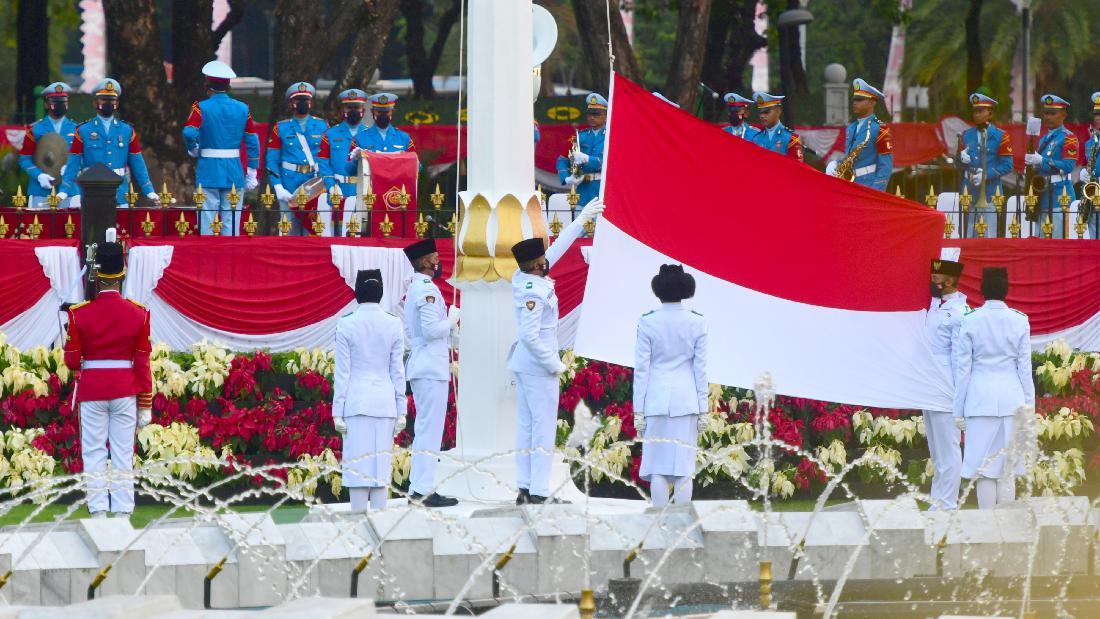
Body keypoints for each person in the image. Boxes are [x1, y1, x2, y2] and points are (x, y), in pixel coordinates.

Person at [509, 197, 606, 505]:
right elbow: (529, 335)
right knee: (542, 429)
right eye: (543, 260)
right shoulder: (534, 290)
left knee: (527, 427)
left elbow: (555, 251)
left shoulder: (523, 277)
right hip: (538, 367)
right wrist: (555, 364)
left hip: (526, 366)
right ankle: (538, 491)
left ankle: (525, 487)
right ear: (537, 266)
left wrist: (579, 223)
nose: (547, 261)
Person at [63, 229, 153, 518]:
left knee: (94, 452)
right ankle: (124, 512)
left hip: (93, 389)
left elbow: (72, 362)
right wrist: (146, 402)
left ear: (98, 274)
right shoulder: (139, 313)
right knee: (123, 453)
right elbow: (142, 362)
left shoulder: (79, 314)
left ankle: (99, 511)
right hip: (125, 389)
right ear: (122, 273)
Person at [953, 267, 1034, 510]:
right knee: (1007, 470)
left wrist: (958, 410)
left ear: (983, 289)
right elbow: (1024, 370)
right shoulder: (1019, 320)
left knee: (984, 471)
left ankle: (986, 529)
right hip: (1012, 401)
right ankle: (1006, 531)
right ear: (1006, 289)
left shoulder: (970, 320)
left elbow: (963, 370)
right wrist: (1029, 407)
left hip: (980, 401)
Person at [632, 264, 707, 508]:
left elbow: (642, 370)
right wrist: (703, 408)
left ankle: (659, 523)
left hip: (656, 400)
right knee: (684, 468)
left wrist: (638, 410)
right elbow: (700, 369)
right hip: (686, 402)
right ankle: (682, 524)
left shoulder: (648, 322)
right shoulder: (697, 322)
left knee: (657, 468)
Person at [332, 269, 407, 512]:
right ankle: (380, 527)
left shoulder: (346, 324)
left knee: (358, 470)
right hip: (385, 403)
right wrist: (402, 409)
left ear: (357, 292)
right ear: (380, 292)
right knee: (380, 469)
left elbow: (343, 373)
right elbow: (397, 371)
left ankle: (359, 525)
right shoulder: (394, 323)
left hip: (356, 402)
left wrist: (337, 412)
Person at [402, 239, 461, 507]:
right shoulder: (425, 289)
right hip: (429, 367)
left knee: (427, 429)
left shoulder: (422, 287)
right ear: (425, 261)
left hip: (427, 364)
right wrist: (451, 319)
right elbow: (430, 330)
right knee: (429, 430)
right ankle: (423, 490)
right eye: (435, 257)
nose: (439, 262)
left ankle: (419, 487)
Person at [183, 61, 261, 236]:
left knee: (207, 224)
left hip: (209, 170)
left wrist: (193, 148)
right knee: (231, 225)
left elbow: (189, 132)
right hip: (234, 170)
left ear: (207, 85)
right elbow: (252, 140)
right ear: (228, 85)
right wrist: (252, 170)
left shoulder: (200, 107)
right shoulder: (243, 108)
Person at [57, 79, 158, 208]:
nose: (108, 103)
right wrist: (64, 190)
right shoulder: (83, 130)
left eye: (112, 100)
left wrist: (148, 190)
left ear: (117, 103)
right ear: (95, 103)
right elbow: (73, 163)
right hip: (92, 190)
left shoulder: (127, 130)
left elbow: (137, 162)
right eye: (104, 100)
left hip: (120, 192)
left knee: (121, 227)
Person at [922, 258, 967, 511]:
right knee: (936, 450)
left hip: (946, 386)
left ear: (949, 280)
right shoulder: (935, 307)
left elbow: (960, 358)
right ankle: (937, 501)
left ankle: (948, 504)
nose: (932, 280)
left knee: (948, 448)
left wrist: (959, 396)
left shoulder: (960, 313)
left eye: (936, 277)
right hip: (928, 385)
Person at [266, 82, 329, 235]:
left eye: (305, 100)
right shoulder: (280, 127)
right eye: (298, 100)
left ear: (311, 103)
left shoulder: (322, 126)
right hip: (289, 185)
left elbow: (328, 157)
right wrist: (278, 186)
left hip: (315, 184)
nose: (302, 103)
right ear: (291, 103)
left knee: (313, 231)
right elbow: (272, 160)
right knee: (289, 233)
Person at [957, 94, 1014, 238]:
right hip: (969, 191)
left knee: (989, 235)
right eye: (975, 111)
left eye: (980, 111)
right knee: (969, 235)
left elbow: (1008, 165)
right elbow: (958, 164)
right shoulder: (966, 135)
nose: (976, 114)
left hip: (990, 192)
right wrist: (961, 160)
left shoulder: (1001, 136)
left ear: (990, 113)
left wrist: (986, 174)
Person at [1024, 94, 1078, 239]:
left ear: (1063, 115)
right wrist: (1031, 168)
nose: (1048, 117)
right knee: (1041, 241)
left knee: (1058, 242)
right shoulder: (1043, 139)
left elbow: (1068, 166)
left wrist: (1041, 160)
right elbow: (1041, 167)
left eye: (1052, 113)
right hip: (1042, 195)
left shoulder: (1068, 137)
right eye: (1046, 113)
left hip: (1060, 195)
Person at [826, 78, 893, 191]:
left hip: (868, 184)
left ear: (872, 102)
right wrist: (836, 164)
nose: (855, 103)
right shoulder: (851, 128)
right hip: (848, 184)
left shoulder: (880, 128)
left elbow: (885, 166)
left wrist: (876, 192)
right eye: (854, 99)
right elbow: (850, 157)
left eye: (860, 99)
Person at [19, 82, 77, 209]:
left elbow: (83, 158)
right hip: (41, 190)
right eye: (55, 101)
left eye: (63, 101)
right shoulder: (35, 129)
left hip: (69, 190)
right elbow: (24, 158)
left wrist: (71, 168)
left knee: (69, 227)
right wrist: (39, 175)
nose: (59, 105)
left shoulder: (77, 129)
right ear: (46, 104)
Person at [318, 89, 368, 236]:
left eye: (356, 107)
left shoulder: (370, 135)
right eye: (349, 107)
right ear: (343, 110)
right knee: (335, 234)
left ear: (363, 110)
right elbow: (323, 162)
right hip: (338, 190)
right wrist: (331, 185)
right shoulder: (330, 134)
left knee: (360, 235)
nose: (353, 111)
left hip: (361, 189)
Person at [555, 93, 607, 207]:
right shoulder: (579, 136)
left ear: (605, 116)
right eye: (590, 114)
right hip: (583, 191)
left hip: (603, 190)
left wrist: (588, 159)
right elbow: (562, 160)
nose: (592, 117)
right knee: (582, 223)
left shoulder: (611, 137)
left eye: (596, 114)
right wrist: (567, 178)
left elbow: (611, 163)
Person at [750, 92, 803, 162]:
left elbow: (798, 168)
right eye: (760, 112)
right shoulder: (756, 139)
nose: (762, 116)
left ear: (778, 111)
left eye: (766, 112)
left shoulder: (791, 138)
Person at [1079, 92, 1100, 239]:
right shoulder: (1090, 142)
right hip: (1093, 191)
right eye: (1096, 114)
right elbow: (1087, 163)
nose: (1097, 118)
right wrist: (1083, 172)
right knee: (1093, 231)